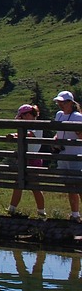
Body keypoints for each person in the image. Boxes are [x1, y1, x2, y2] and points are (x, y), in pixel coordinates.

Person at [6, 103, 47, 218]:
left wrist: (15, 134)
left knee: (35, 186)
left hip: (33, 158)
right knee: (18, 184)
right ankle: (12, 208)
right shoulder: (27, 125)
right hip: (24, 157)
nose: (21, 119)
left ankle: (41, 211)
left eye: (22, 116)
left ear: (28, 115)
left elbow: (30, 134)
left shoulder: (36, 125)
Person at [53, 91, 82, 222]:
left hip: (75, 154)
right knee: (69, 186)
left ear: (70, 103)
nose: (60, 104)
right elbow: (58, 133)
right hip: (63, 154)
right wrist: (55, 141)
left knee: (79, 185)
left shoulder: (77, 117)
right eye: (59, 102)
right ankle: (75, 214)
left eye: (63, 102)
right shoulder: (58, 115)